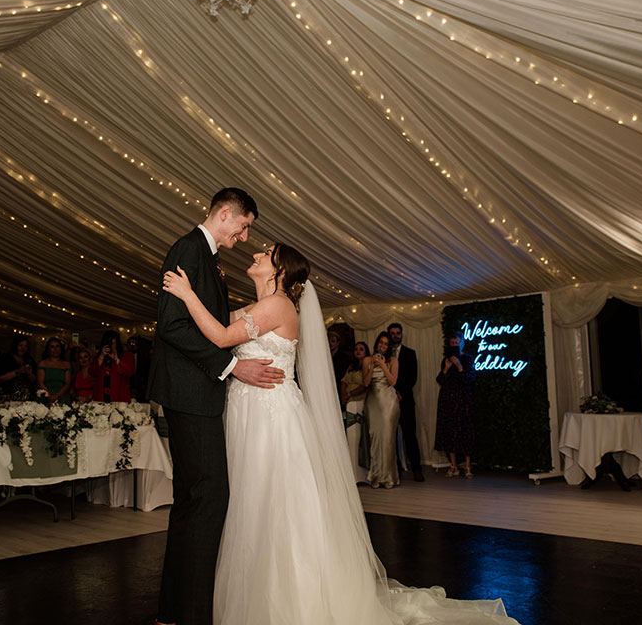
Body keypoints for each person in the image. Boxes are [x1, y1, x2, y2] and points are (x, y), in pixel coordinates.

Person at [163, 243, 517, 624]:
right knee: (250, 502)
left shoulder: (279, 305)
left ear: (279, 270)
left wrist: (185, 294)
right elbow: (218, 331)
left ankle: (290, 602)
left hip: (271, 417)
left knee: (273, 503)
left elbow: (218, 337)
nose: (258, 252)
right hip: (245, 411)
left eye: (267, 253)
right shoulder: (256, 306)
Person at [148, 187, 283, 625]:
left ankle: (175, 610)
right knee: (209, 499)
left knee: (192, 501)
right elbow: (172, 327)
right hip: (192, 394)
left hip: (195, 394)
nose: (244, 237)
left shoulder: (206, 258)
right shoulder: (189, 250)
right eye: (244, 227)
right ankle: (192, 614)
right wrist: (230, 367)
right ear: (226, 214)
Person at [435, 333, 476, 478]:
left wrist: (459, 366)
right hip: (448, 400)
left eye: (456, 342)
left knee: (465, 431)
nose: (454, 344)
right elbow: (440, 380)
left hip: (463, 400)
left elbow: (470, 379)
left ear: (462, 343)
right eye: (452, 342)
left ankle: (467, 466)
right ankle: (453, 466)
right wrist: (446, 368)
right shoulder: (446, 360)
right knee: (449, 432)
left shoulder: (468, 358)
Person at [364, 331, 400, 489]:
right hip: (372, 401)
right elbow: (365, 383)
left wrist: (383, 365)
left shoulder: (393, 360)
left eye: (386, 344)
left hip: (388, 402)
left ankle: (389, 477)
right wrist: (372, 365)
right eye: (381, 342)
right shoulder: (367, 360)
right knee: (375, 438)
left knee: (387, 439)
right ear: (376, 343)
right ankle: (376, 475)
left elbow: (393, 381)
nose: (383, 346)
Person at [388, 322, 424, 482]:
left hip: (406, 400)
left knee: (410, 435)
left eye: (398, 333)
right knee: (391, 436)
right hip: (388, 400)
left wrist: (401, 392)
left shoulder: (410, 353)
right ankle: (395, 469)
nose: (395, 335)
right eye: (393, 333)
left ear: (402, 334)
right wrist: (393, 393)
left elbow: (412, 377)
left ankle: (417, 468)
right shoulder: (385, 354)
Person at [341, 340, 370, 483]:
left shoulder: (367, 366)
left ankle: (361, 475)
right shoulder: (351, 367)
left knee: (359, 440)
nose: (358, 351)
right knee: (351, 440)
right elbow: (344, 381)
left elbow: (365, 385)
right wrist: (343, 396)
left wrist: (350, 394)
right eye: (356, 349)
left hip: (360, 402)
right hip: (349, 402)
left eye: (361, 349)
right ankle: (352, 473)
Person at [90, 331, 134, 404]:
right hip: (101, 397)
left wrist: (117, 360)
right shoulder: (99, 357)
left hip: (119, 397)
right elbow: (92, 372)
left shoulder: (127, 356)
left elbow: (129, 372)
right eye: (108, 344)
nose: (111, 347)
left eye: (113, 344)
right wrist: (101, 357)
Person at [0, 335, 38, 400]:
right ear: (15, 345)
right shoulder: (5, 358)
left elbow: (35, 381)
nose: (23, 348)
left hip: (27, 398)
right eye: (20, 345)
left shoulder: (29, 360)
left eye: (25, 346)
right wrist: (17, 371)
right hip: (8, 396)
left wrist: (29, 374)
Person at [38, 336, 72, 404]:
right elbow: (40, 383)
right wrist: (49, 396)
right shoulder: (42, 363)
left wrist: (56, 396)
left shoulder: (66, 365)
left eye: (57, 346)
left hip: (62, 395)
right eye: (52, 347)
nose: (55, 349)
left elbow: (67, 384)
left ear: (61, 349)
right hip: (45, 395)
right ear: (48, 349)